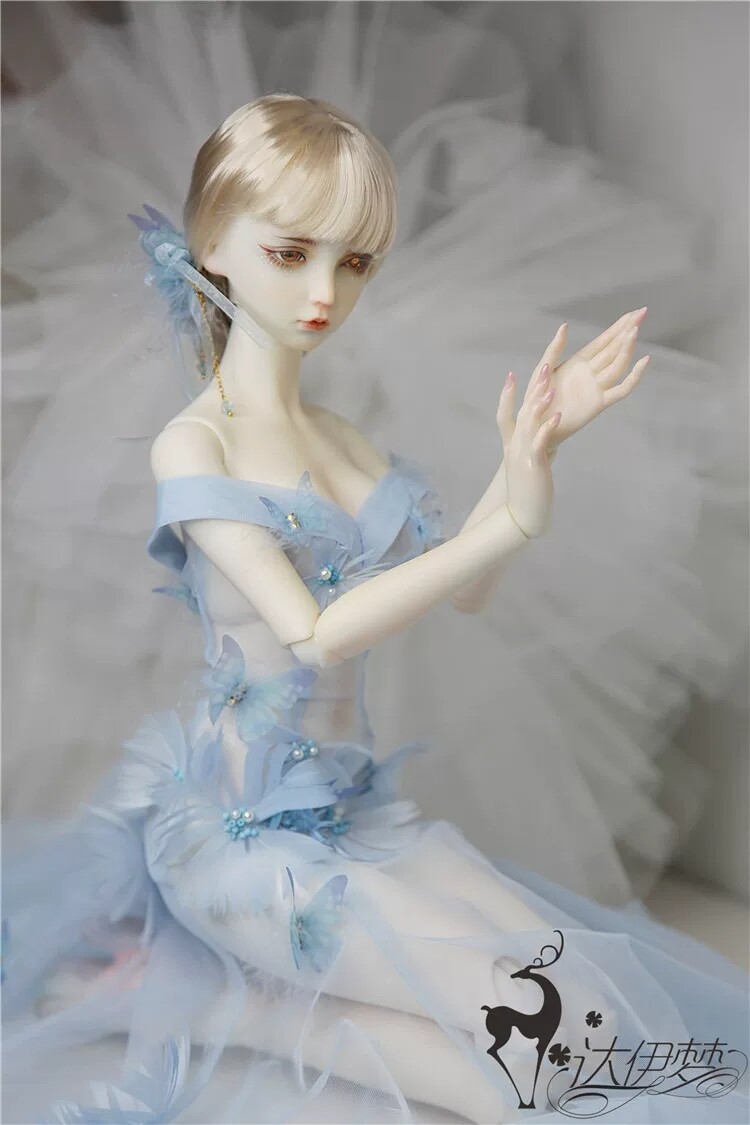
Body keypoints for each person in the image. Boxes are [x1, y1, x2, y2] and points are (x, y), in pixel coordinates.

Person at [3, 95, 746, 1125]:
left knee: (582, 1006)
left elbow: (467, 588)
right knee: (528, 1064)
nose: (324, 292)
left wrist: (528, 462)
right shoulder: (196, 445)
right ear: (213, 247)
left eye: (353, 263)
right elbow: (313, 634)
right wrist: (505, 523)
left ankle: (229, 1000)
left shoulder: (348, 441)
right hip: (237, 844)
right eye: (291, 253)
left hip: (361, 821)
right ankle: (220, 1001)